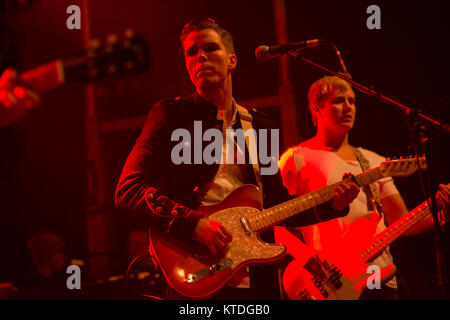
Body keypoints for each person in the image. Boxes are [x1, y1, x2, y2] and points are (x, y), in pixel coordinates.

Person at [114, 18, 360, 300]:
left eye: (210, 48)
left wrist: (332, 205)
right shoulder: (170, 116)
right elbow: (128, 189)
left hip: (256, 278)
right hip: (196, 273)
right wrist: (192, 224)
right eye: (191, 53)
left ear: (232, 60)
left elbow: (275, 204)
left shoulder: (261, 126)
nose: (200, 57)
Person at [276, 75, 450, 300]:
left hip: (378, 275)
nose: (348, 107)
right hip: (329, 281)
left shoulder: (373, 160)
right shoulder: (297, 158)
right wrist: (304, 256)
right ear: (316, 108)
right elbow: (278, 225)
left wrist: (442, 214)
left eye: (352, 101)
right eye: (338, 101)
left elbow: (402, 222)